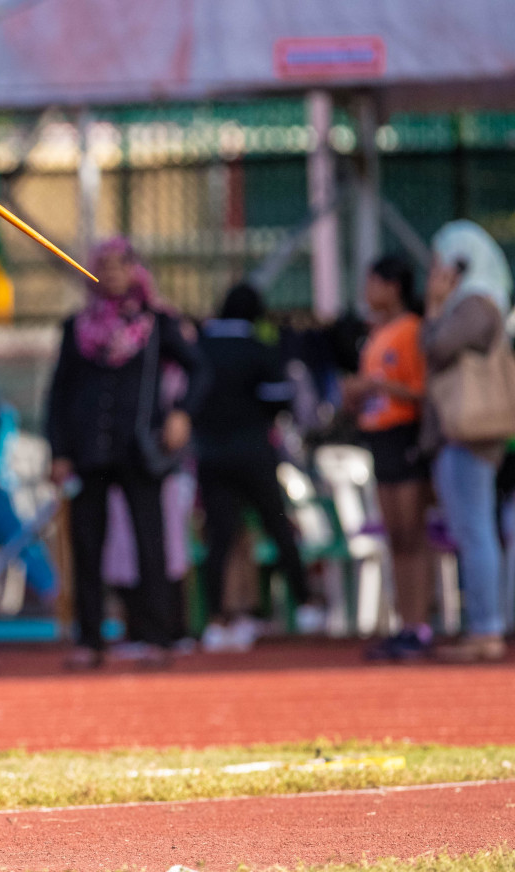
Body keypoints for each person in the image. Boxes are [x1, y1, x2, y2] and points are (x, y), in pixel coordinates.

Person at [46, 238, 207, 671]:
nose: (112, 273)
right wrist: (59, 451)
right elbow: (59, 394)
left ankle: (157, 636)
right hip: (87, 451)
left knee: (149, 544)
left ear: (135, 270)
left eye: (121, 265)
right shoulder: (76, 327)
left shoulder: (158, 323)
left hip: (141, 450)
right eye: (104, 265)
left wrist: (181, 415)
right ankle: (91, 639)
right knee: (86, 545)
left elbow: (200, 369)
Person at [192, 283, 321, 652]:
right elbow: (280, 399)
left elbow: (191, 398)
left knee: (219, 537)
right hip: (254, 453)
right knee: (277, 526)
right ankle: (307, 605)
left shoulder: (202, 348)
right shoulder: (259, 349)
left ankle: (217, 618)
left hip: (212, 455)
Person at [420, 221, 514, 663]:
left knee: (475, 530)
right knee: (473, 529)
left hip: (470, 433)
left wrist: (435, 304)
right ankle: (485, 624)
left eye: (442, 263)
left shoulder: (476, 305)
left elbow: (435, 347)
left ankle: (486, 627)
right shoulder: (480, 302)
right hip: (463, 434)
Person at [343, 256, 434, 661]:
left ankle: (420, 624)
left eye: (373, 282)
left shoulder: (412, 330)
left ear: (393, 286)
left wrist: (381, 386)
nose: (367, 292)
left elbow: (421, 391)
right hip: (379, 436)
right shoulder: (376, 333)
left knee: (412, 532)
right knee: (394, 535)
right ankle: (404, 624)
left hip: (405, 435)